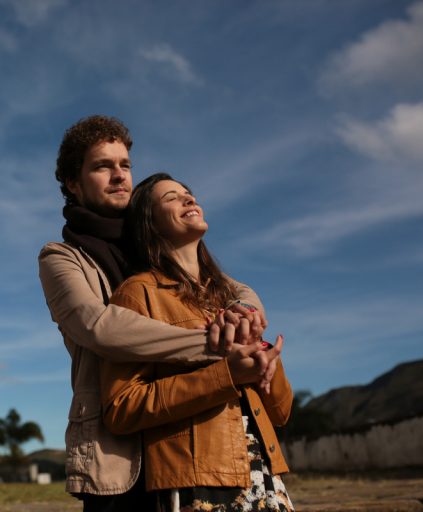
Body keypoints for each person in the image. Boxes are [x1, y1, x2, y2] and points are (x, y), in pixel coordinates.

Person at [39, 116, 272, 511]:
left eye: (125, 165)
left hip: (184, 431)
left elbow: (231, 286)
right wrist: (214, 344)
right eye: (102, 166)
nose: (119, 176)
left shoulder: (154, 242)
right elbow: (99, 327)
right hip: (118, 443)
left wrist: (242, 311)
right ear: (73, 184)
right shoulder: (61, 257)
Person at [100, 173, 294, 511]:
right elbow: (122, 409)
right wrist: (226, 376)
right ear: (151, 224)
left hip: (265, 476)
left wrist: (264, 361)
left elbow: (281, 412)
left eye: (189, 194)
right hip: (197, 481)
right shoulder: (138, 293)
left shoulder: (234, 300)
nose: (189, 200)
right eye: (171, 198)